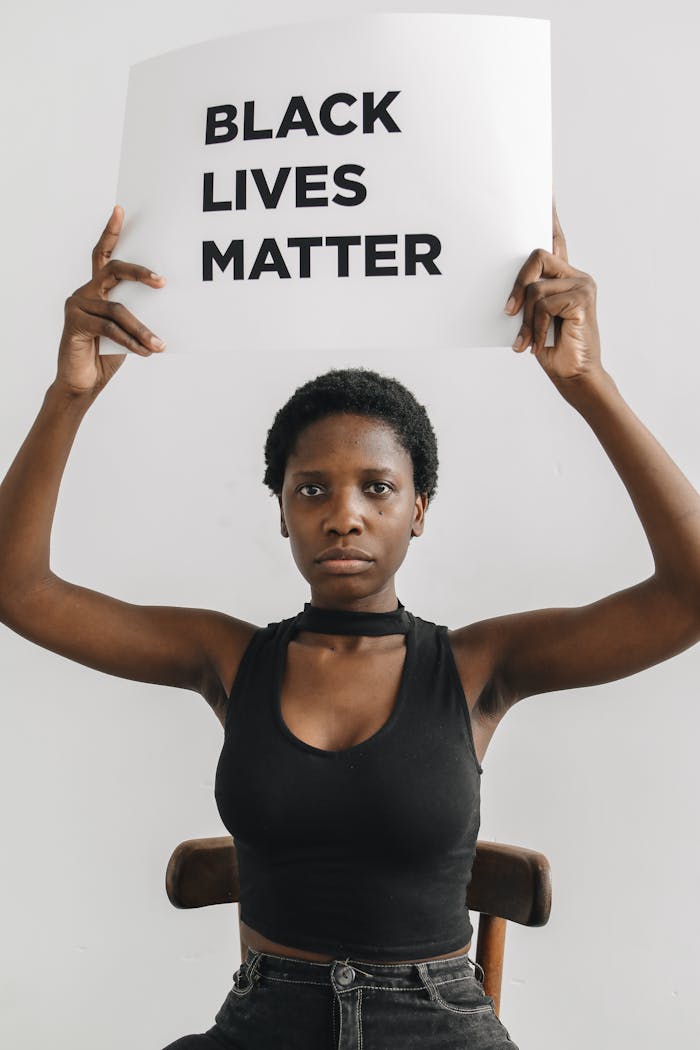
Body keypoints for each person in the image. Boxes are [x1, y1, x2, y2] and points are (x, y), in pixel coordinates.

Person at [1, 202, 699, 1050]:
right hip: (263, 1021)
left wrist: (588, 383)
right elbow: (21, 589)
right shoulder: (227, 657)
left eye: (377, 487)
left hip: (438, 1026)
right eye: (311, 490)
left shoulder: (480, 664)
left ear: (420, 510)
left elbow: (688, 595)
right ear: (283, 514)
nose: (343, 516)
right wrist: (68, 393)